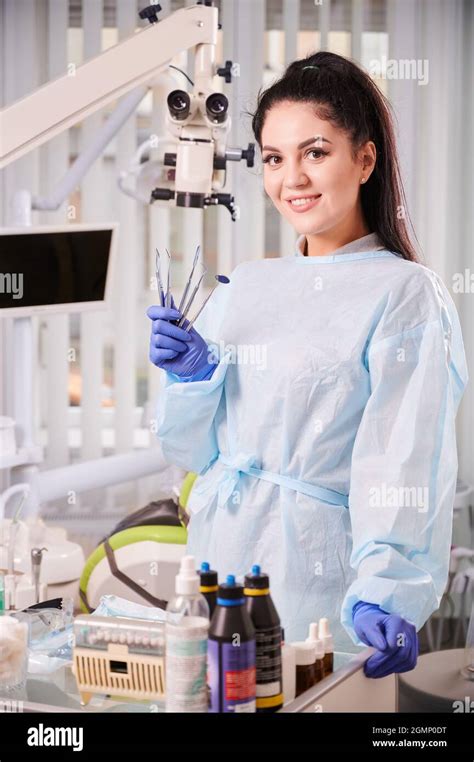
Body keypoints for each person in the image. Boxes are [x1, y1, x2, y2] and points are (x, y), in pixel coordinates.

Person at [147, 52, 468, 678]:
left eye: (315, 152)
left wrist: (386, 590)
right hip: (217, 564)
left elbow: (404, 459)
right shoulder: (244, 286)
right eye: (273, 158)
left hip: (319, 584)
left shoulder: (406, 294)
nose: (291, 177)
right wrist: (192, 381)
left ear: (365, 160)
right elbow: (192, 455)